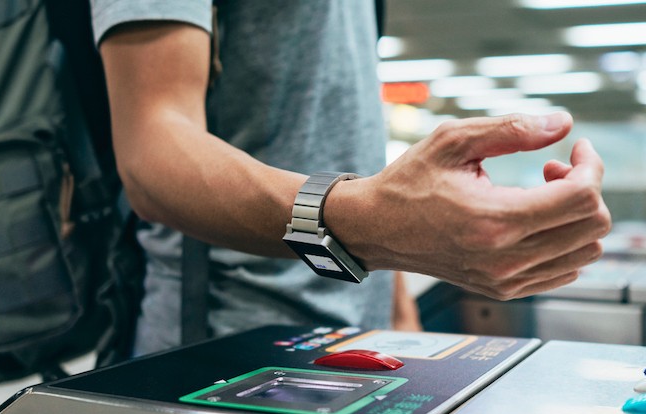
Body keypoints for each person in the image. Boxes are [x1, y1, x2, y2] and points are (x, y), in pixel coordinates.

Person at [90, 0, 610, 355]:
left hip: (361, 332)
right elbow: (150, 152)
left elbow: (344, 129)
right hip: (230, 345)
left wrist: (399, 309)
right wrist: (370, 227)